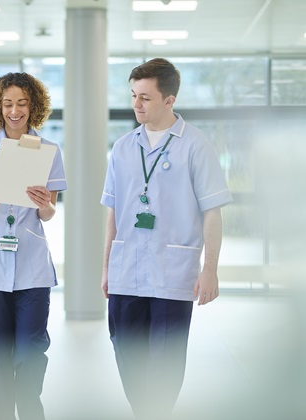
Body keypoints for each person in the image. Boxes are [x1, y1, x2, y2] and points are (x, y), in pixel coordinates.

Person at [100, 58, 233, 420]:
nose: (136, 104)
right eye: (133, 95)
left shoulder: (195, 145)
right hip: (126, 269)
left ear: (169, 100)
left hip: (173, 272)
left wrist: (211, 270)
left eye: (145, 97)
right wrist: (106, 266)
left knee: (166, 357)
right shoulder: (123, 147)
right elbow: (113, 211)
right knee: (124, 348)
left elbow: (212, 211)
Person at [0, 72, 66, 420]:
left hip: (32, 264)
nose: (14, 111)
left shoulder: (48, 150)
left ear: (33, 105)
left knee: (32, 349)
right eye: (7, 104)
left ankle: (31, 410)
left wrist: (43, 203)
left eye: (21, 103)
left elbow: (49, 213)